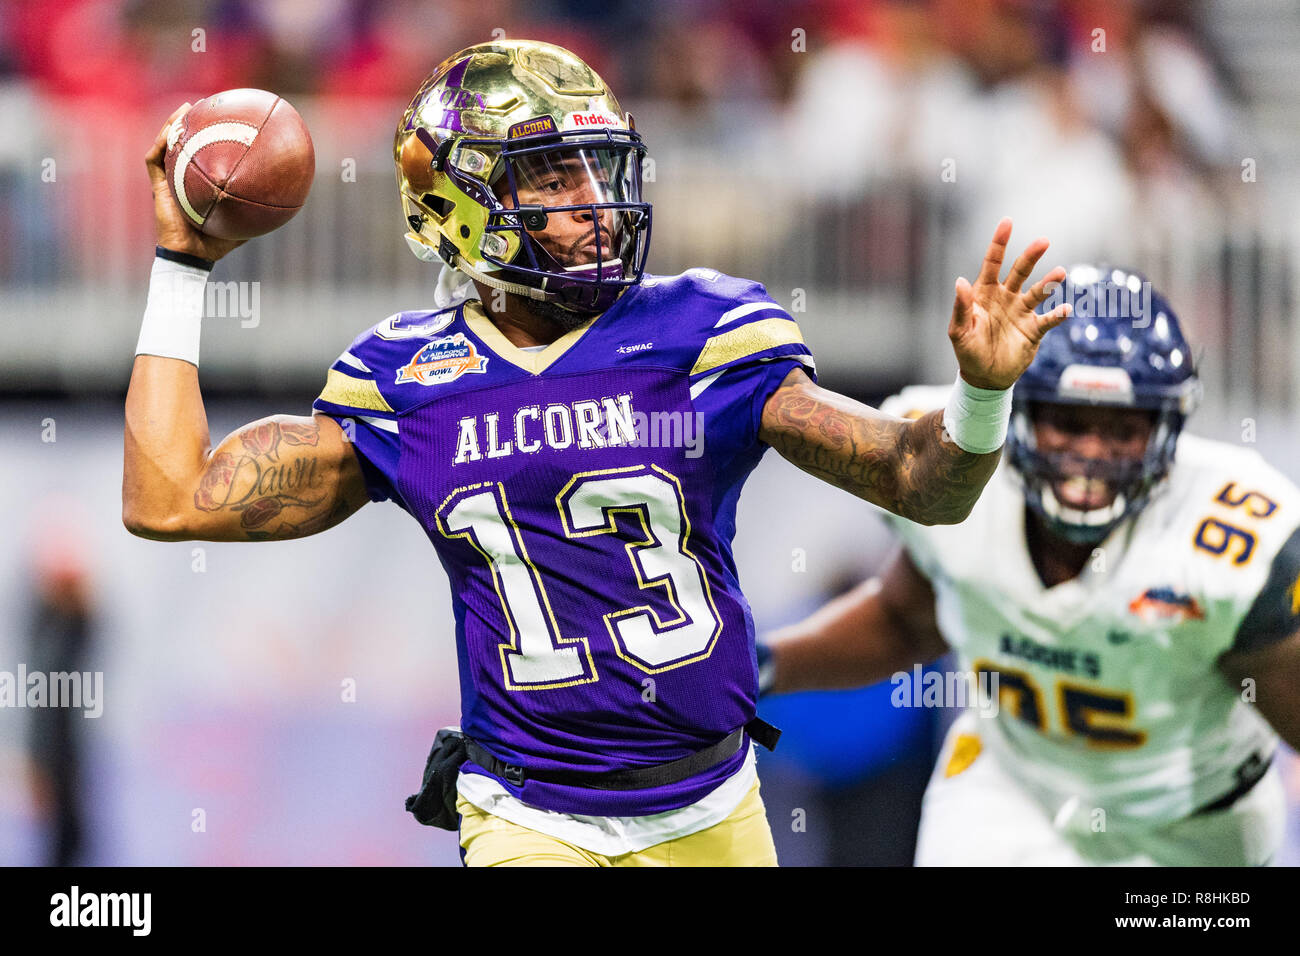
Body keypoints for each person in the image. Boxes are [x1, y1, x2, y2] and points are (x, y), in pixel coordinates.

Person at [122, 39, 1069, 867]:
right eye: (550, 176)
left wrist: (981, 394)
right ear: (456, 202)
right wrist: (182, 265)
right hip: (527, 817)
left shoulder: (702, 331)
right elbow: (171, 500)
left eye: (596, 168)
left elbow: (923, 485)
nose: (593, 203)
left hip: (713, 804)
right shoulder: (406, 376)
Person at [763, 265, 1300, 866]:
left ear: (1166, 427)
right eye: (1068, 422)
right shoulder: (957, 472)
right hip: (1012, 794)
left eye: (1121, 430)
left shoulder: (1229, 539)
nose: (1090, 456)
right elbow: (906, 621)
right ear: (1016, 413)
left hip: (1188, 824)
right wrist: (758, 667)